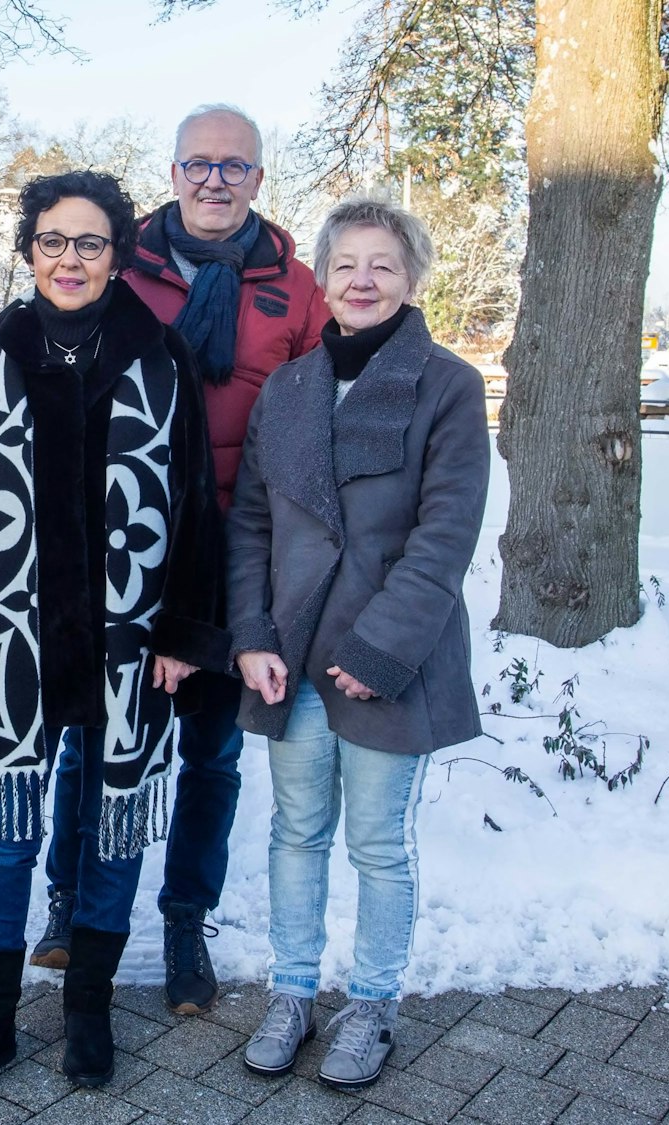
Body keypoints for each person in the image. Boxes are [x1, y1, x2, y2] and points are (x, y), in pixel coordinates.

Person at [0, 171, 229, 1104]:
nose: (69, 259)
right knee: (5, 836)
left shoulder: (160, 358)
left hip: (128, 644)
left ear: (118, 252)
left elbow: (194, 507)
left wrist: (183, 627)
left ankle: (87, 1007)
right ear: (29, 249)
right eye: (53, 240)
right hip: (14, 640)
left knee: (110, 828)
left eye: (90, 242)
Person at [32, 103, 331, 1018]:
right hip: (122, 548)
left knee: (209, 754)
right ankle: (70, 900)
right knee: (92, 739)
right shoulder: (123, 264)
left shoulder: (296, 286)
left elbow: (318, 417)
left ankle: (184, 921)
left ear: (257, 181)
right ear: (172, 174)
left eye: (233, 166)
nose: (214, 180)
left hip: (238, 551)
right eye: (197, 163)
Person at [228, 197, 489, 1089]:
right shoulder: (289, 387)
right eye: (346, 264)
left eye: (383, 264)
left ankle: (371, 1004)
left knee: (379, 843)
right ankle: (293, 990)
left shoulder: (448, 386)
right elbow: (253, 525)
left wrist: (381, 651)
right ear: (323, 279)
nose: (363, 280)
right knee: (296, 833)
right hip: (292, 660)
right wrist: (253, 635)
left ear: (410, 277)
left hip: (390, 661)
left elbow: (445, 537)